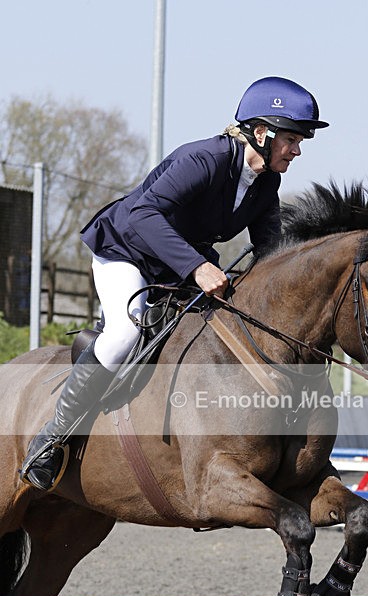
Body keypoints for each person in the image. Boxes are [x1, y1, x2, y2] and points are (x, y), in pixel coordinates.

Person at [20, 76, 329, 491]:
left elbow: (271, 249)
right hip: (126, 251)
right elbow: (142, 215)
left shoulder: (266, 182)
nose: (297, 150)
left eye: (299, 141)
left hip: (176, 265)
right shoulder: (203, 159)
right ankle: (51, 438)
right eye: (291, 139)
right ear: (261, 133)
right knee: (125, 334)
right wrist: (198, 268)